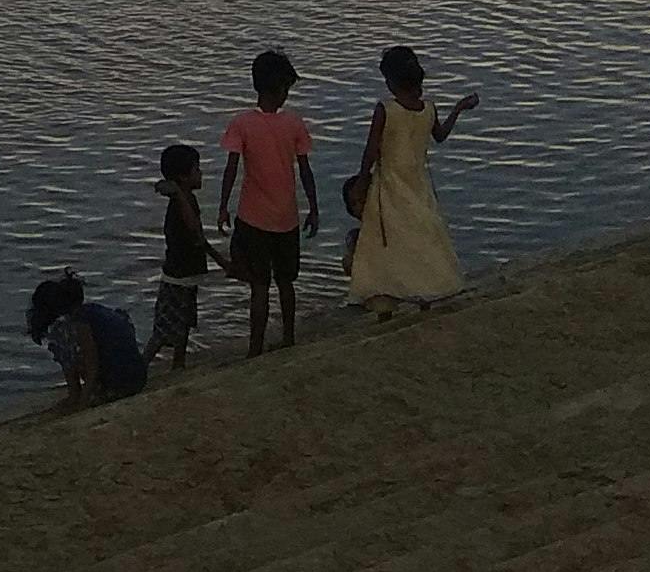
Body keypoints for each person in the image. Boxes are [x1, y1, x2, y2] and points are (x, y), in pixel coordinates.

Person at [346, 46, 477, 309]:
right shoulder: (428, 108)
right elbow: (440, 135)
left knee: (382, 242)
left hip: (389, 184)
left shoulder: (385, 110)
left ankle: (384, 298)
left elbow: (371, 150)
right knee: (421, 237)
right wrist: (458, 108)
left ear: (392, 81)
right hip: (418, 184)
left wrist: (361, 181)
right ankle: (425, 292)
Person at [215, 48, 320, 355]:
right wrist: (313, 207)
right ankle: (288, 338)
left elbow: (232, 169)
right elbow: (305, 170)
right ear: (282, 88)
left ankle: (255, 347)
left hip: (253, 217)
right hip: (286, 217)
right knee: (286, 283)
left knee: (259, 287)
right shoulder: (294, 123)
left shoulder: (242, 123)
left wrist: (223, 206)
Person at [24, 269, 145, 407]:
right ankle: (83, 393)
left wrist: (83, 401)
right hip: (138, 377)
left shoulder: (78, 324)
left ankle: (77, 394)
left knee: (66, 350)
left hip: (121, 384)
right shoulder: (93, 310)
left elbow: (91, 362)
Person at [150, 143, 211, 373]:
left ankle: (178, 364)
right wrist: (177, 193)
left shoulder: (186, 199)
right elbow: (194, 227)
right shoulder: (180, 203)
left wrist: (221, 261)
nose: (200, 173)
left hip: (186, 274)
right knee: (162, 331)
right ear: (183, 177)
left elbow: (199, 238)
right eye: (196, 169)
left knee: (183, 323)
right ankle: (141, 367)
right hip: (176, 276)